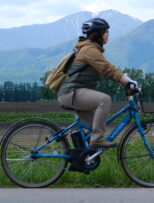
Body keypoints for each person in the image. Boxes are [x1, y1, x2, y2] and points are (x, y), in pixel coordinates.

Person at [57, 17, 138, 149]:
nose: (108, 34)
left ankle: (81, 154)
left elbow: (107, 69)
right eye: (105, 31)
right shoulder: (90, 50)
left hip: (72, 93)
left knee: (94, 125)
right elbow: (107, 69)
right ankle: (97, 140)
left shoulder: (89, 48)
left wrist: (125, 80)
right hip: (71, 93)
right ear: (97, 34)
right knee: (104, 100)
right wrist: (126, 82)